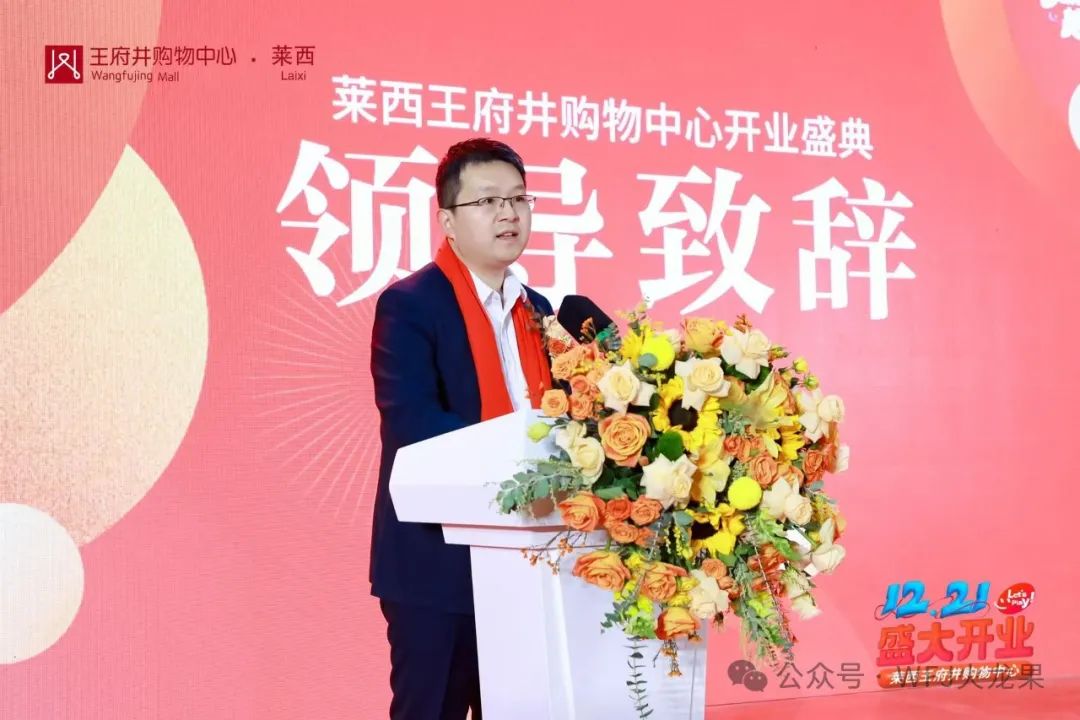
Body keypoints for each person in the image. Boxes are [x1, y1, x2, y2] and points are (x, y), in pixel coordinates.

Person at [369, 138, 554, 719]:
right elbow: (415, 425)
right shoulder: (410, 305)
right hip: (438, 565)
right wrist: (527, 463)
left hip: (533, 562)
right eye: (488, 201)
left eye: (518, 198)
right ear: (448, 220)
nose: (508, 213)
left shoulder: (542, 312)